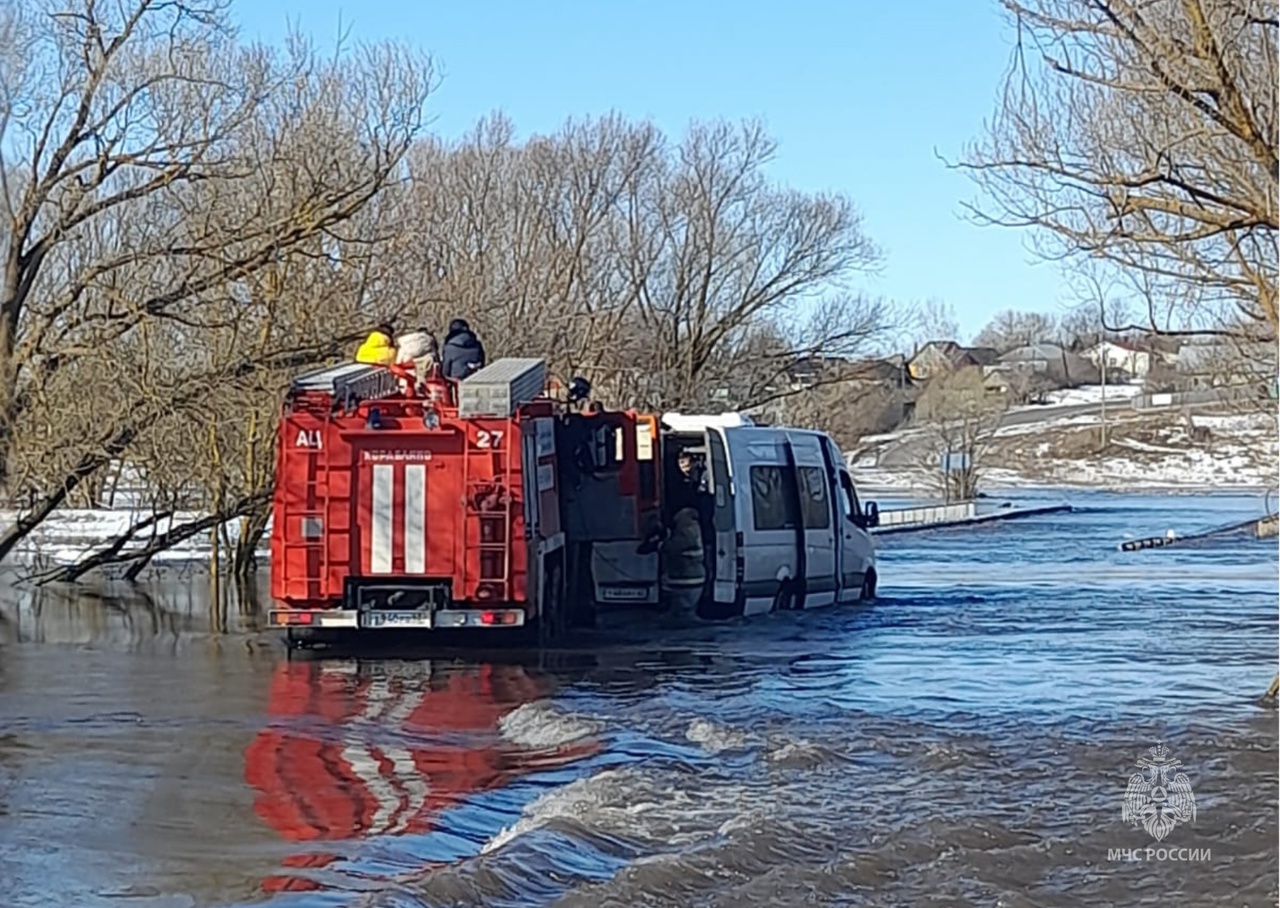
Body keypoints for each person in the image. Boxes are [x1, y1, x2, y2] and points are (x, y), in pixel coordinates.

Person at [659, 507, 706, 624]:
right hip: (695, 578)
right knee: (688, 611)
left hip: (684, 579)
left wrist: (661, 543)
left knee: (682, 614)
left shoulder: (685, 533)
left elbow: (671, 548)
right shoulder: (695, 530)